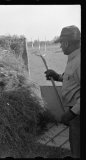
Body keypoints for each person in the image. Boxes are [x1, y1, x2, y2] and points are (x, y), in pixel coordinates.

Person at [44, 25, 80, 158]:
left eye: (60, 43)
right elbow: (73, 80)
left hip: (79, 113)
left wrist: (71, 113)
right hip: (76, 113)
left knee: (78, 147)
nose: (60, 46)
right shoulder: (74, 59)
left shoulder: (80, 61)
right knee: (74, 143)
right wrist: (58, 76)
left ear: (66, 42)